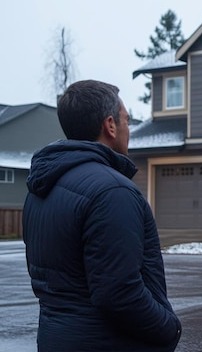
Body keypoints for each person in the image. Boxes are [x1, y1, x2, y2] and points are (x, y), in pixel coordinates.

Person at [22, 80, 182, 351]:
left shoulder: (39, 190)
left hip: (56, 339)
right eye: (126, 121)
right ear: (110, 125)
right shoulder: (113, 191)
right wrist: (169, 328)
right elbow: (120, 293)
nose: (128, 130)